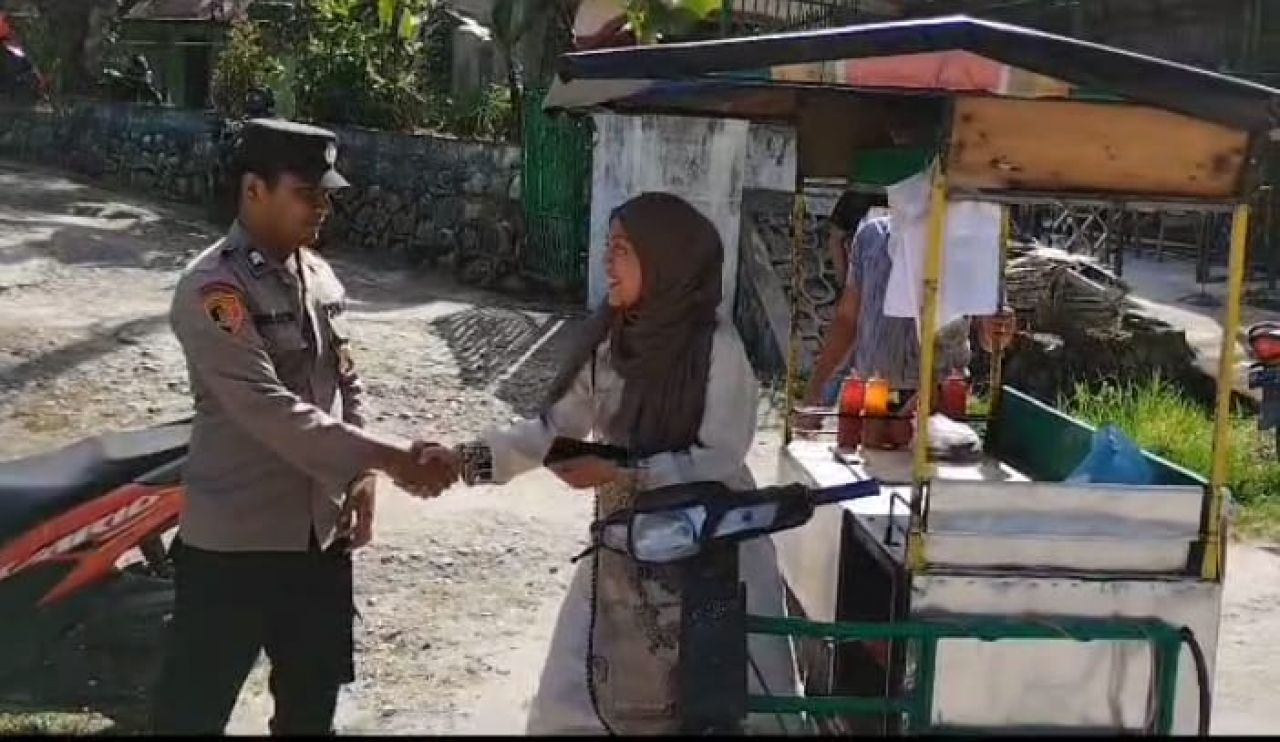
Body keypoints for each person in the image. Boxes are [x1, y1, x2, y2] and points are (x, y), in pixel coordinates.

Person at [421, 192, 800, 734]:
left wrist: (625, 473)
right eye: (608, 247)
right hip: (625, 548)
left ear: (664, 260)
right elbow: (553, 430)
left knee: (735, 704)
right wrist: (464, 461)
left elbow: (718, 457)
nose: (606, 262)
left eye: (622, 249)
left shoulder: (716, 347)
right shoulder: (609, 341)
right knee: (575, 703)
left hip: (717, 556)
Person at [152, 119, 458, 736]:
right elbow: (267, 406)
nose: (322, 206)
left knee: (311, 713)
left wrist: (364, 475)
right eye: (306, 193)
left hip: (319, 540)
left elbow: (346, 378)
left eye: (326, 194)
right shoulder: (214, 288)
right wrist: (393, 456)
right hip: (235, 546)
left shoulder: (318, 276)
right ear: (254, 190)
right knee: (192, 715)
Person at [801, 209, 1015, 433]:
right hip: (873, 397)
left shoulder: (971, 248)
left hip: (939, 404)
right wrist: (816, 389)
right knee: (868, 452)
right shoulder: (871, 237)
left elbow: (991, 337)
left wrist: (999, 330)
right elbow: (847, 319)